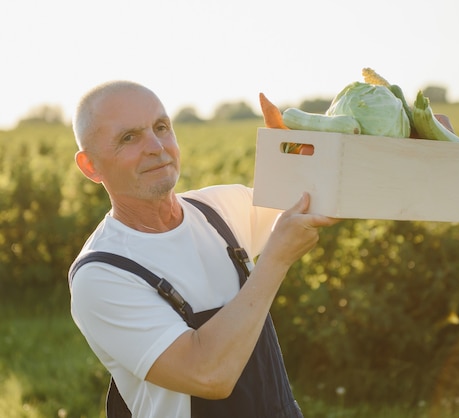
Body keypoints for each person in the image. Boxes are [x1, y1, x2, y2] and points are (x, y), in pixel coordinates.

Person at [69, 80, 338, 417]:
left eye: (161, 127)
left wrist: (295, 149)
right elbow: (209, 375)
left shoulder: (218, 210)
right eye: (128, 138)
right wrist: (276, 260)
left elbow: (318, 194)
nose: (155, 146)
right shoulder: (102, 274)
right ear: (90, 166)